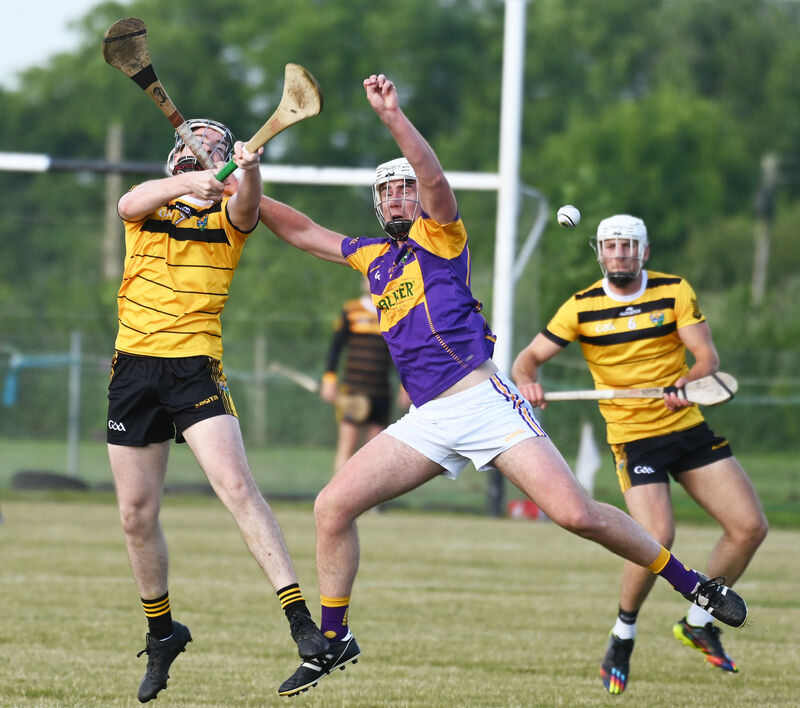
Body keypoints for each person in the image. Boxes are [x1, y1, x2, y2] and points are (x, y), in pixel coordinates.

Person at [257, 75, 750, 698]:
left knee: (576, 514)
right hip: (429, 419)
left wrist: (394, 121)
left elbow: (436, 181)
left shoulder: (442, 236)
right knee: (331, 508)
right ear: (377, 204)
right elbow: (299, 229)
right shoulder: (370, 258)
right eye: (390, 190)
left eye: (405, 187)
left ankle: (692, 583)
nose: (401, 196)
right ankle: (335, 639)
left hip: (485, 402)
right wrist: (241, 181)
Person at [106, 118, 328, 703]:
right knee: (134, 514)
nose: (200, 153)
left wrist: (244, 174)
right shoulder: (149, 206)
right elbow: (130, 200)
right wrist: (191, 182)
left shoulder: (228, 215)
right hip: (133, 367)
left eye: (214, 148)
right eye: (193, 144)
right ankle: (162, 633)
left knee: (235, 485)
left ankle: (301, 621)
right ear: (175, 155)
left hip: (194, 366)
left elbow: (248, 210)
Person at [511, 214, 767, 695]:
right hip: (633, 436)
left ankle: (697, 620)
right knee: (656, 534)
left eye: (629, 246)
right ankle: (623, 634)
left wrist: (685, 383)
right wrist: (527, 380)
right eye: (611, 246)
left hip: (685, 426)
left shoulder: (674, 292)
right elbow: (527, 359)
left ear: (644, 252)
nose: (620, 254)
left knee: (749, 527)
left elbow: (707, 360)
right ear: (600, 252)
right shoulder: (581, 306)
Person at [321, 277, 410, 474]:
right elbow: (335, 348)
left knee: (375, 448)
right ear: (362, 283)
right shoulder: (351, 310)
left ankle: (372, 503)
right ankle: (340, 497)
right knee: (348, 443)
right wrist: (329, 380)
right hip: (353, 389)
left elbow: (400, 354)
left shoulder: (393, 314)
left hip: (380, 391)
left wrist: (406, 385)